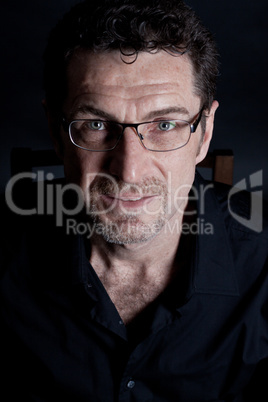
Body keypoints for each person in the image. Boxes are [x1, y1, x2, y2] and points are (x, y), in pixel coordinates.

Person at [1, 0, 267, 400]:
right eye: (94, 124)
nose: (129, 172)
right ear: (56, 134)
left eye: (164, 125)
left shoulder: (262, 265)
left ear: (205, 133)